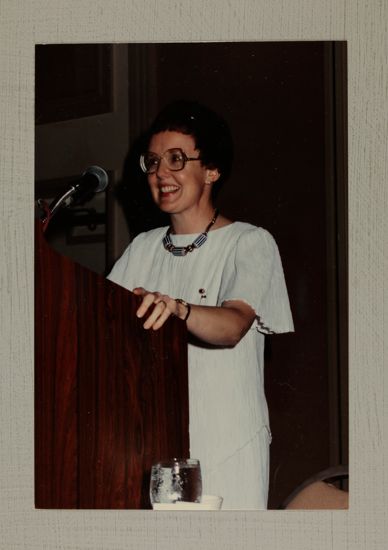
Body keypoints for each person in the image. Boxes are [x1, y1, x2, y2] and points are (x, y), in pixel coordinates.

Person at [108, 100, 294, 509]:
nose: (161, 173)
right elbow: (98, 328)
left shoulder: (250, 242)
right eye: (153, 162)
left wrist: (178, 308)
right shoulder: (141, 249)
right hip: (154, 447)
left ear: (211, 170)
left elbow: (232, 326)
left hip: (228, 445)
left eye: (177, 160)